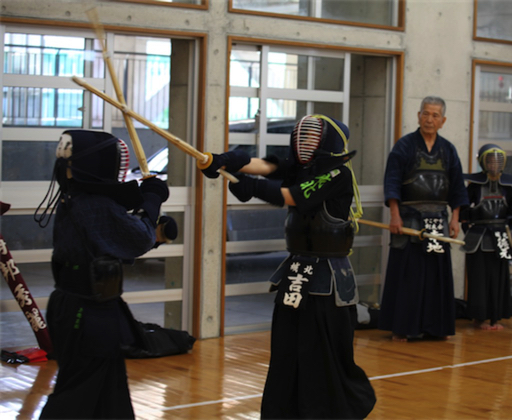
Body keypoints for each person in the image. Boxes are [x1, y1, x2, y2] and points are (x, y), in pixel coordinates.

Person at [202, 115, 376, 419]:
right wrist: (225, 161)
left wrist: (251, 186)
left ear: (328, 142)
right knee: (287, 350)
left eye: (311, 138)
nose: (302, 143)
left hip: (328, 278)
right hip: (295, 271)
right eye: (300, 137)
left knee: (319, 353)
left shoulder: (337, 174)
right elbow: (266, 166)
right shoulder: (299, 168)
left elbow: (291, 196)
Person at [35, 130, 175, 419]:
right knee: (77, 394)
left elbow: (113, 242)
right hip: (86, 314)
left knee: (110, 396)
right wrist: (152, 200)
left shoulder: (76, 198)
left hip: (80, 308)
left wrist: (148, 210)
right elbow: (137, 238)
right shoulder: (93, 205)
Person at [379, 96, 469, 342]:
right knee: (409, 274)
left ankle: (435, 327)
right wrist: (394, 215)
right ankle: (402, 326)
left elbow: (458, 188)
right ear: (418, 116)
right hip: (408, 218)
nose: (430, 119)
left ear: (443, 121)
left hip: (438, 219)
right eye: (426, 114)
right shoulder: (404, 146)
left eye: (435, 115)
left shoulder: (448, 149)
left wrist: (455, 219)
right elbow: (392, 182)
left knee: (435, 275)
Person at [460, 144, 512, 330]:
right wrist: (469, 230)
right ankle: (479, 318)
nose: (494, 164)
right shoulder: (474, 187)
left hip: (501, 237)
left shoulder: (508, 188)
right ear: (483, 162)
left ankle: (495, 318)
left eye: (498, 161)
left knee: (498, 277)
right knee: (479, 279)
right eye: (490, 160)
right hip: (478, 237)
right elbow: (463, 213)